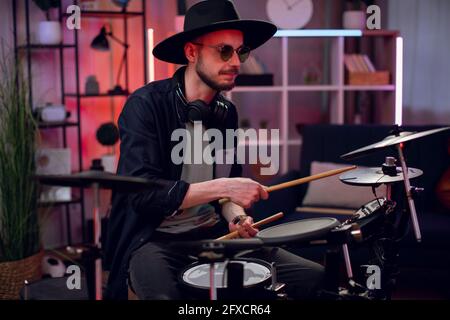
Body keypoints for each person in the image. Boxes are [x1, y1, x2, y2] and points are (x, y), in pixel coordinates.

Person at [104, 0, 324, 300]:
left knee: (312, 276)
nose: (236, 61)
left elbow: (224, 197)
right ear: (191, 52)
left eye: (241, 51)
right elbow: (143, 194)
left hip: (215, 234)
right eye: (224, 50)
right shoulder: (146, 106)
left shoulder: (225, 113)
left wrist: (235, 215)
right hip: (155, 240)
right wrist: (225, 187)